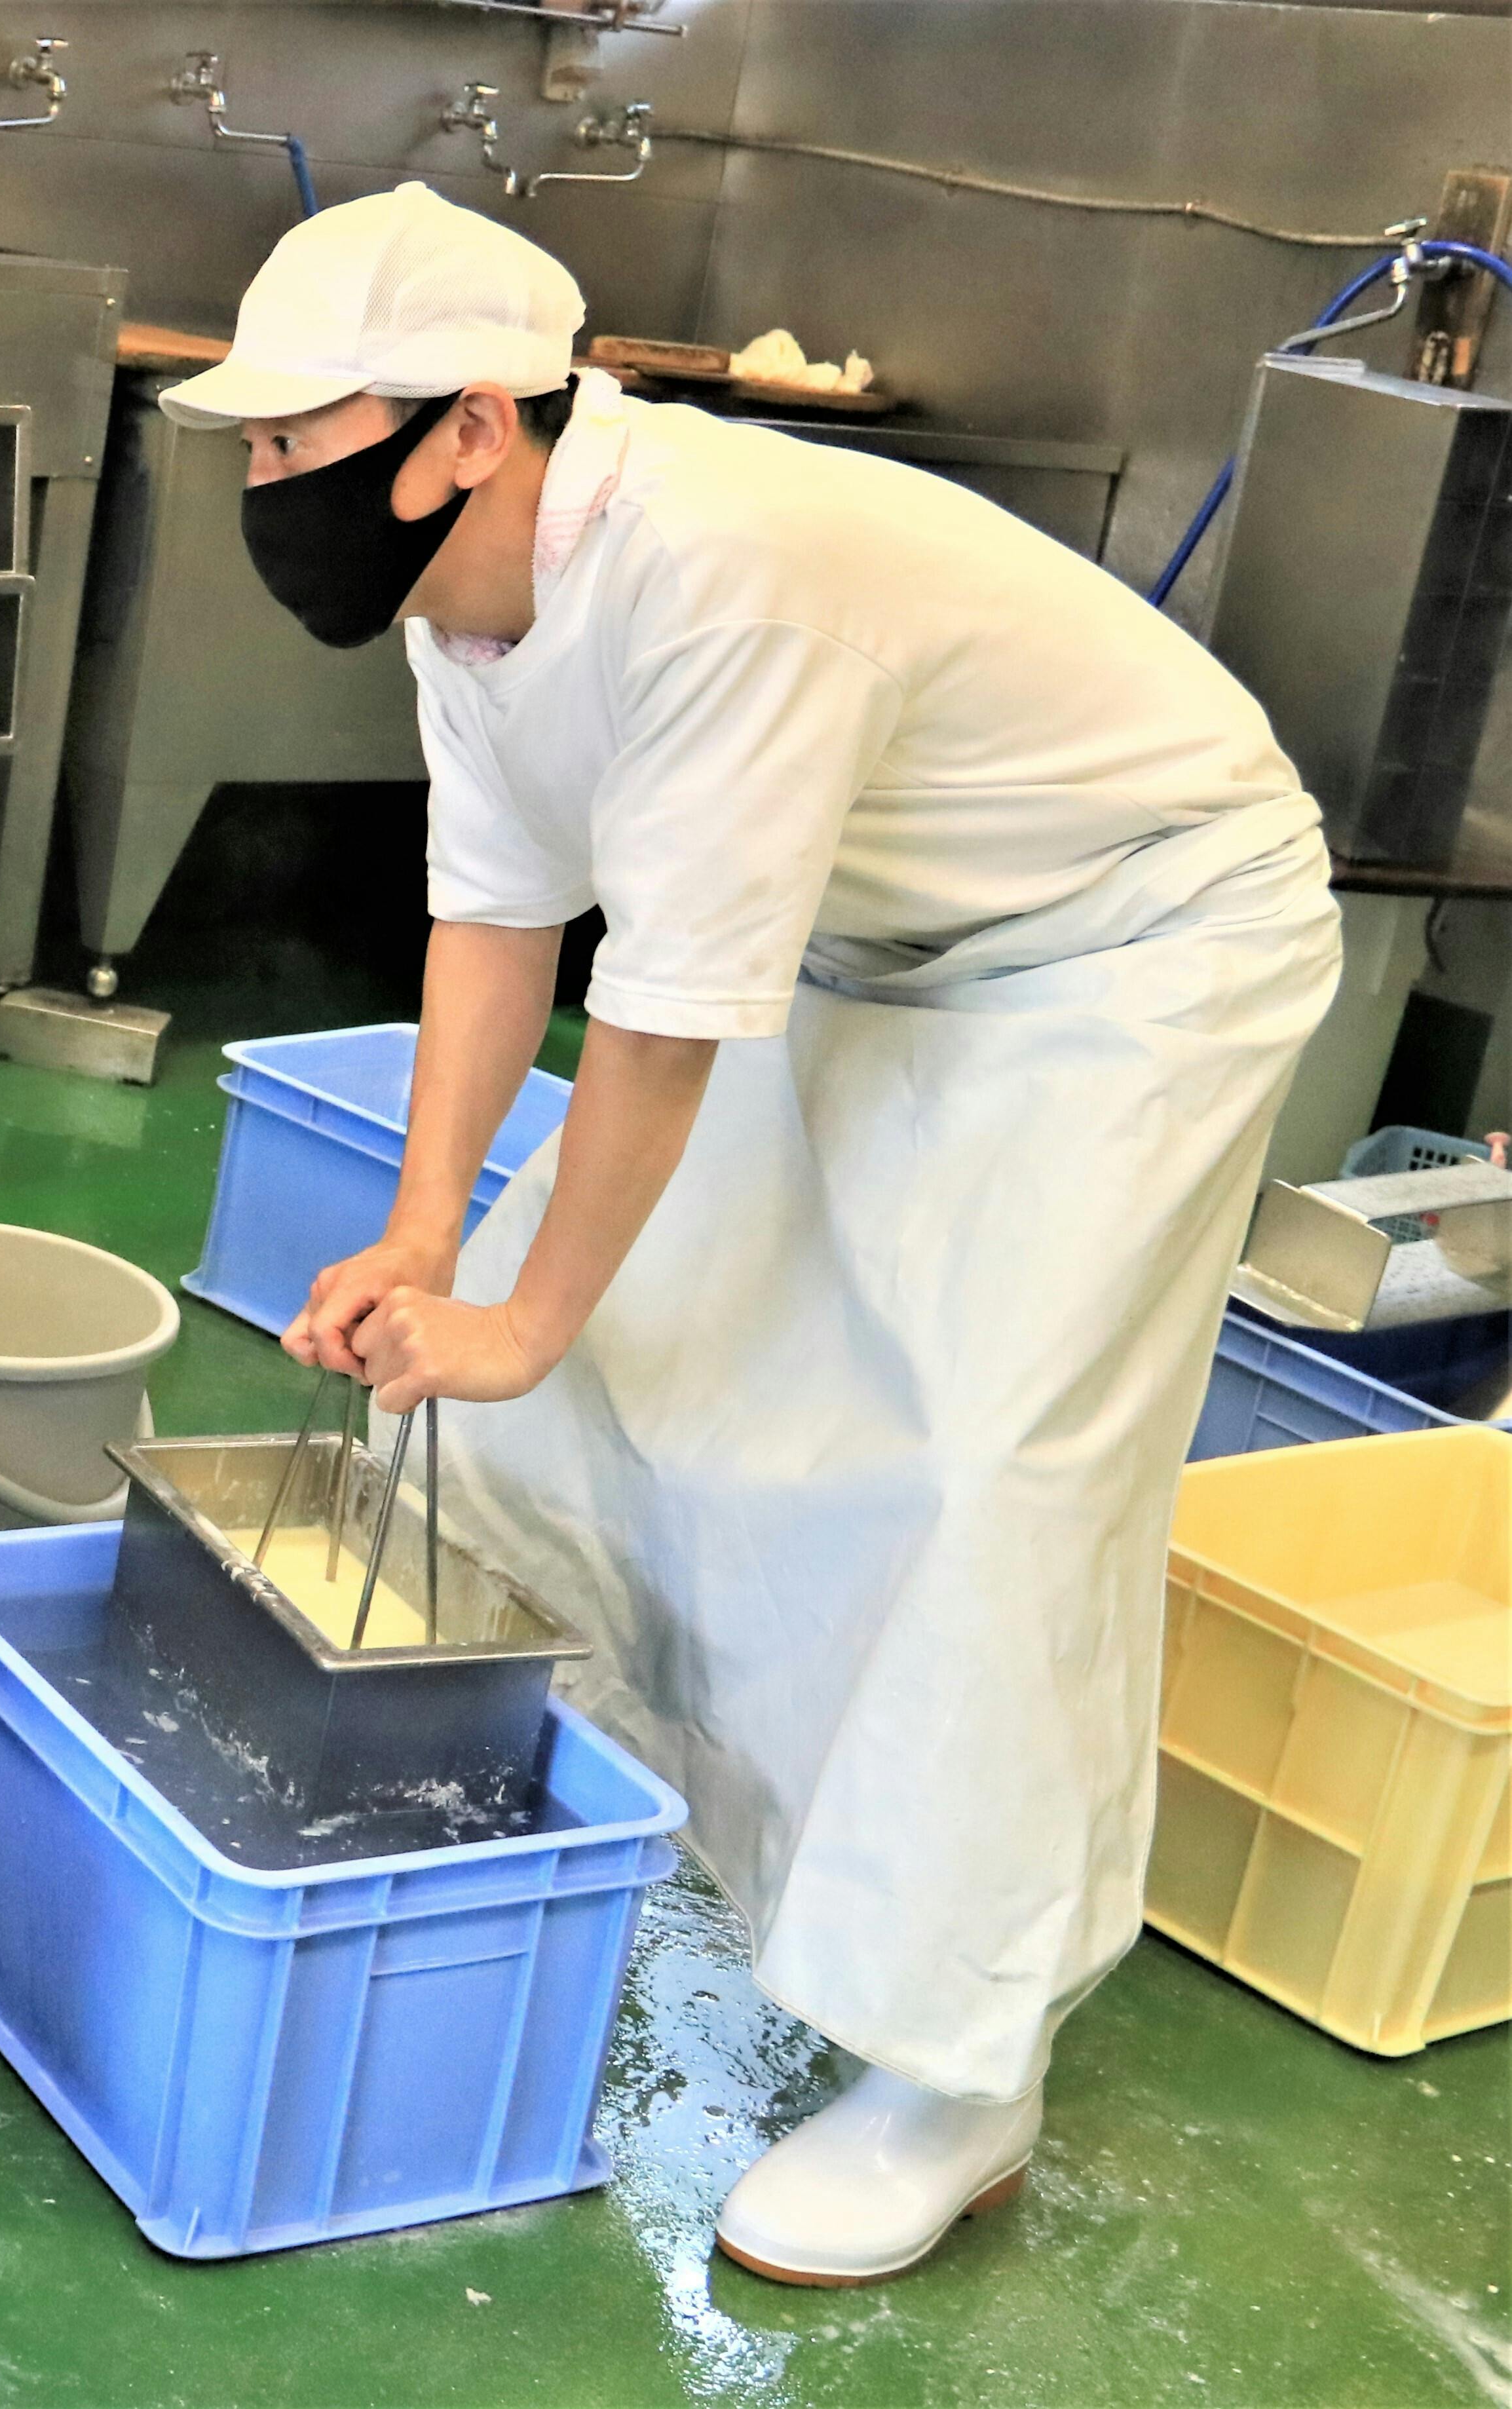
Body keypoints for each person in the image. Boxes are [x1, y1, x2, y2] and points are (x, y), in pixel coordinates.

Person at [161, 187, 1338, 2285]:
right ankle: (616, 1807)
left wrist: (522, 1310)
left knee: (980, 1469)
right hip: (876, 934)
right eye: (250, 444)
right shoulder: (469, 598)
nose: (266, 484)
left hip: (1131, 941)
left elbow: (663, 1015)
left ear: (468, 426)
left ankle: (956, 2066)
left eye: (293, 438)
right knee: (610, 1356)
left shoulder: (719, 577)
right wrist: (432, 1238)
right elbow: (493, 914)